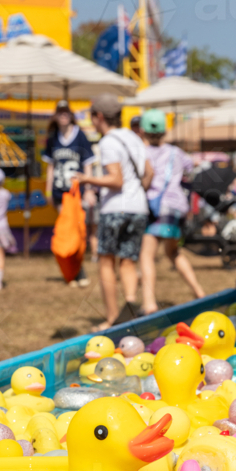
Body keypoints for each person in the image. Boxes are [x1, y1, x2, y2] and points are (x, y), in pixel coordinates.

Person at [74, 93, 153, 329]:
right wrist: (137, 193)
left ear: (99, 116)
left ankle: (111, 319)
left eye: (92, 117)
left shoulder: (108, 141)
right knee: (128, 261)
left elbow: (116, 180)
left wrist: (86, 178)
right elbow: (149, 173)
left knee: (106, 262)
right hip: (139, 207)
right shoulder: (135, 137)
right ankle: (129, 306)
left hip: (115, 208)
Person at [138, 109, 205, 315]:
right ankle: (199, 292)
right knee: (173, 252)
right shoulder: (176, 152)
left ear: (144, 131)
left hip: (155, 207)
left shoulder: (142, 152)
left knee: (147, 255)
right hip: (176, 207)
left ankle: (149, 303)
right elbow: (191, 167)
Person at [43, 100, 94, 287]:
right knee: (67, 232)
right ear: (56, 115)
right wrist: (48, 190)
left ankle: (77, 271)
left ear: (71, 114)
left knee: (77, 232)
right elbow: (50, 166)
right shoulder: (53, 138)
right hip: (59, 192)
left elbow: (88, 163)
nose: (63, 115)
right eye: (60, 112)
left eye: (66, 112)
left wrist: (88, 188)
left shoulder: (80, 136)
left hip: (76, 193)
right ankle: (74, 272)